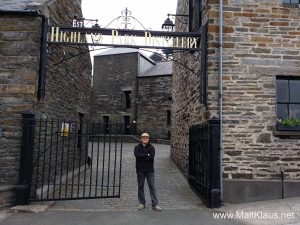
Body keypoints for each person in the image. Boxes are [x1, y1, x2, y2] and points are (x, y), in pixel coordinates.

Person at [134, 132, 162, 211]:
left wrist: (143, 156)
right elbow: (137, 155)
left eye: (146, 138)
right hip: (140, 170)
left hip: (150, 170)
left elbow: (151, 157)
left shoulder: (151, 147)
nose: (145, 139)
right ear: (141, 139)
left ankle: (155, 204)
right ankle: (142, 203)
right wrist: (147, 155)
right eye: (144, 138)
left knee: (152, 187)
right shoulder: (137, 147)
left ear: (148, 139)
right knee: (141, 187)